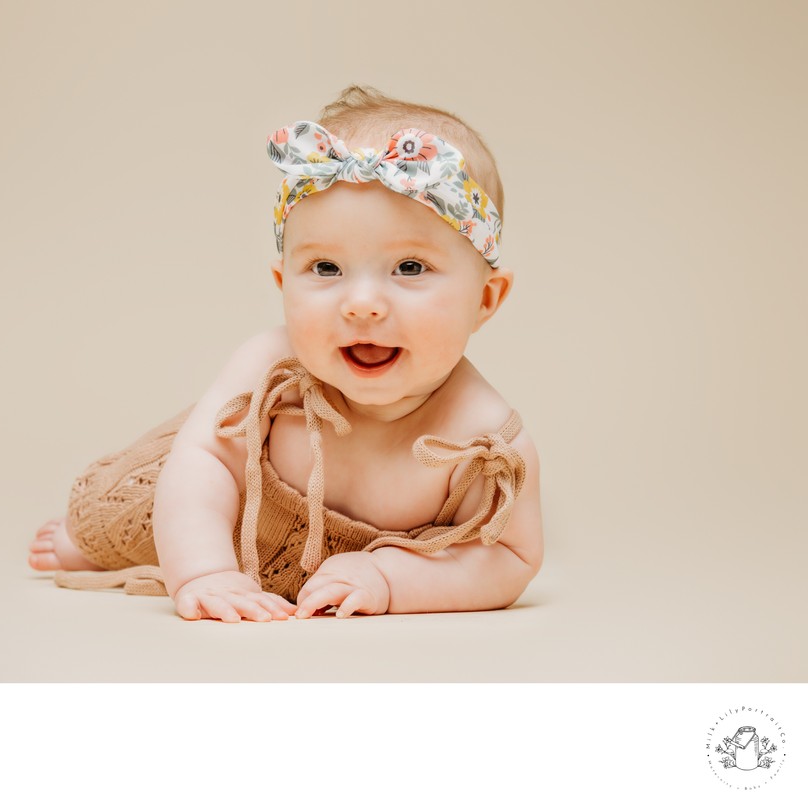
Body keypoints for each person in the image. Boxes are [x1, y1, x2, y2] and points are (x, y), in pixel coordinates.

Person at [28, 85, 544, 622]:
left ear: (485, 299)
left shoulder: (486, 442)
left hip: (313, 574)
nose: (361, 304)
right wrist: (206, 573)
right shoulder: (272, 367)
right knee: (125, 519)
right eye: (325, 268)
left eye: (409, 268)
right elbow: (201, 466)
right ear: (283, 282)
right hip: (205, 519)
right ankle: (84, 541)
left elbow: (507, 558)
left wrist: (389, 577)